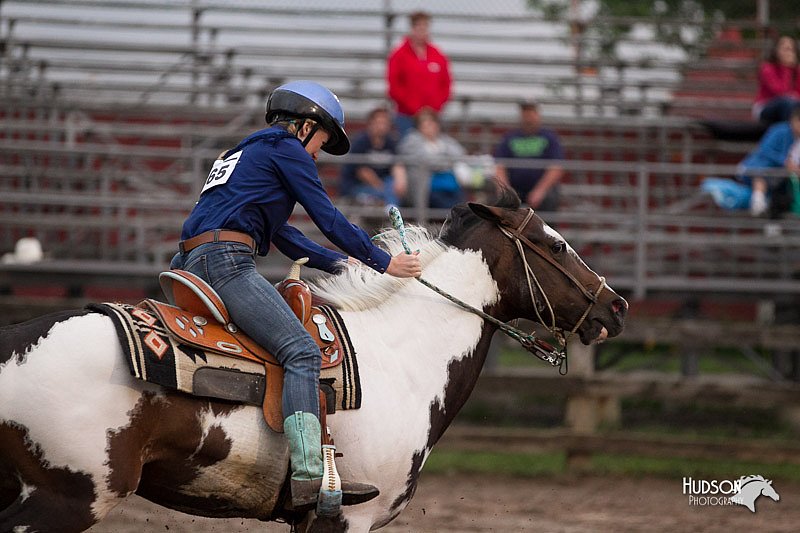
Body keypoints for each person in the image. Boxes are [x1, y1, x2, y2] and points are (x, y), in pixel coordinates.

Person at [170, 80, 422, 511]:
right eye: (322, 141)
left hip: (189, 262)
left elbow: (285, 235)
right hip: (226, 262)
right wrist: (384, 262)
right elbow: (327, 216)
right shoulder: (288, 151)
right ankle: (310, 476)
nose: (318, 153)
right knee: (301, 352)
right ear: (306, 126)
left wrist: (344, 266)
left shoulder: (244, 154)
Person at [387, 10, 452, 137]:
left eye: (425, 27)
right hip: (406, 116)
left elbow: (446, 84)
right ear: (412, 28)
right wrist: (414, 108)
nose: (422, 31)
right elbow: (394, 86)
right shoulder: (399, 55)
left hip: (433, 117)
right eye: (419, 26)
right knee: (408, 150)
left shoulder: (437, 55)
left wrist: (434, 108)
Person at [493, 99, 564, 211]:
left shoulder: (549, 138)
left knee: (549, 197)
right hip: (515, 188)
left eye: (531, 112)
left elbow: (556, 167)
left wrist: (540, 191)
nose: (528, 116)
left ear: (537, 114)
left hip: (541, 189)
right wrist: (506, 190)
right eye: (525, 112)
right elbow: (499, 166)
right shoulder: (509, 137)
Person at [338, 107, 408, 207]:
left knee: (392, 185)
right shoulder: (361, 142)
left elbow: (397, 165)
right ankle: (389, 210)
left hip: (384, 185)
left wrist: (401, 180)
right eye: (379, 123)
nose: (382, 127)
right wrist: (383, 189)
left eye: (385, 123)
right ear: (370, 124)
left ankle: (390, 210)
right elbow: (362, 172)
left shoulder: (391, 142)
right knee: (381, 193)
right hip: (360, 186)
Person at [738, 106, 800, 216]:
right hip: (762, 167)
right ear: (792, 120)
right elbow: (765, 150)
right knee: (761, 172)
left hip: (784, 179)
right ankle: (758, 201)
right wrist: (785, 162)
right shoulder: (779, 130)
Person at [398, 107, 466, 209]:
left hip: (450, 183)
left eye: (432, 123)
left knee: (461, 203)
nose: (429, 127)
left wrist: (440, 161)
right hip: (426, 185)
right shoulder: (411, 140)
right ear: (419, 126)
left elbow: (460, 153)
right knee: (447, 205)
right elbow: (425, 160)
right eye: (425, 123)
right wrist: (445, 161)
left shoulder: (445, 140)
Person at [754, 35, 800, 126]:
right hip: (766, 106)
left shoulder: (797, 70)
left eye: (791, 49)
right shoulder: (767, 68)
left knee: (792, 105)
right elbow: (780, 91)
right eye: (785, 49)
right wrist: (786, 68)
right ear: (776, 51)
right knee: (788, 103)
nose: (789, 53)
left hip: (791, 106)